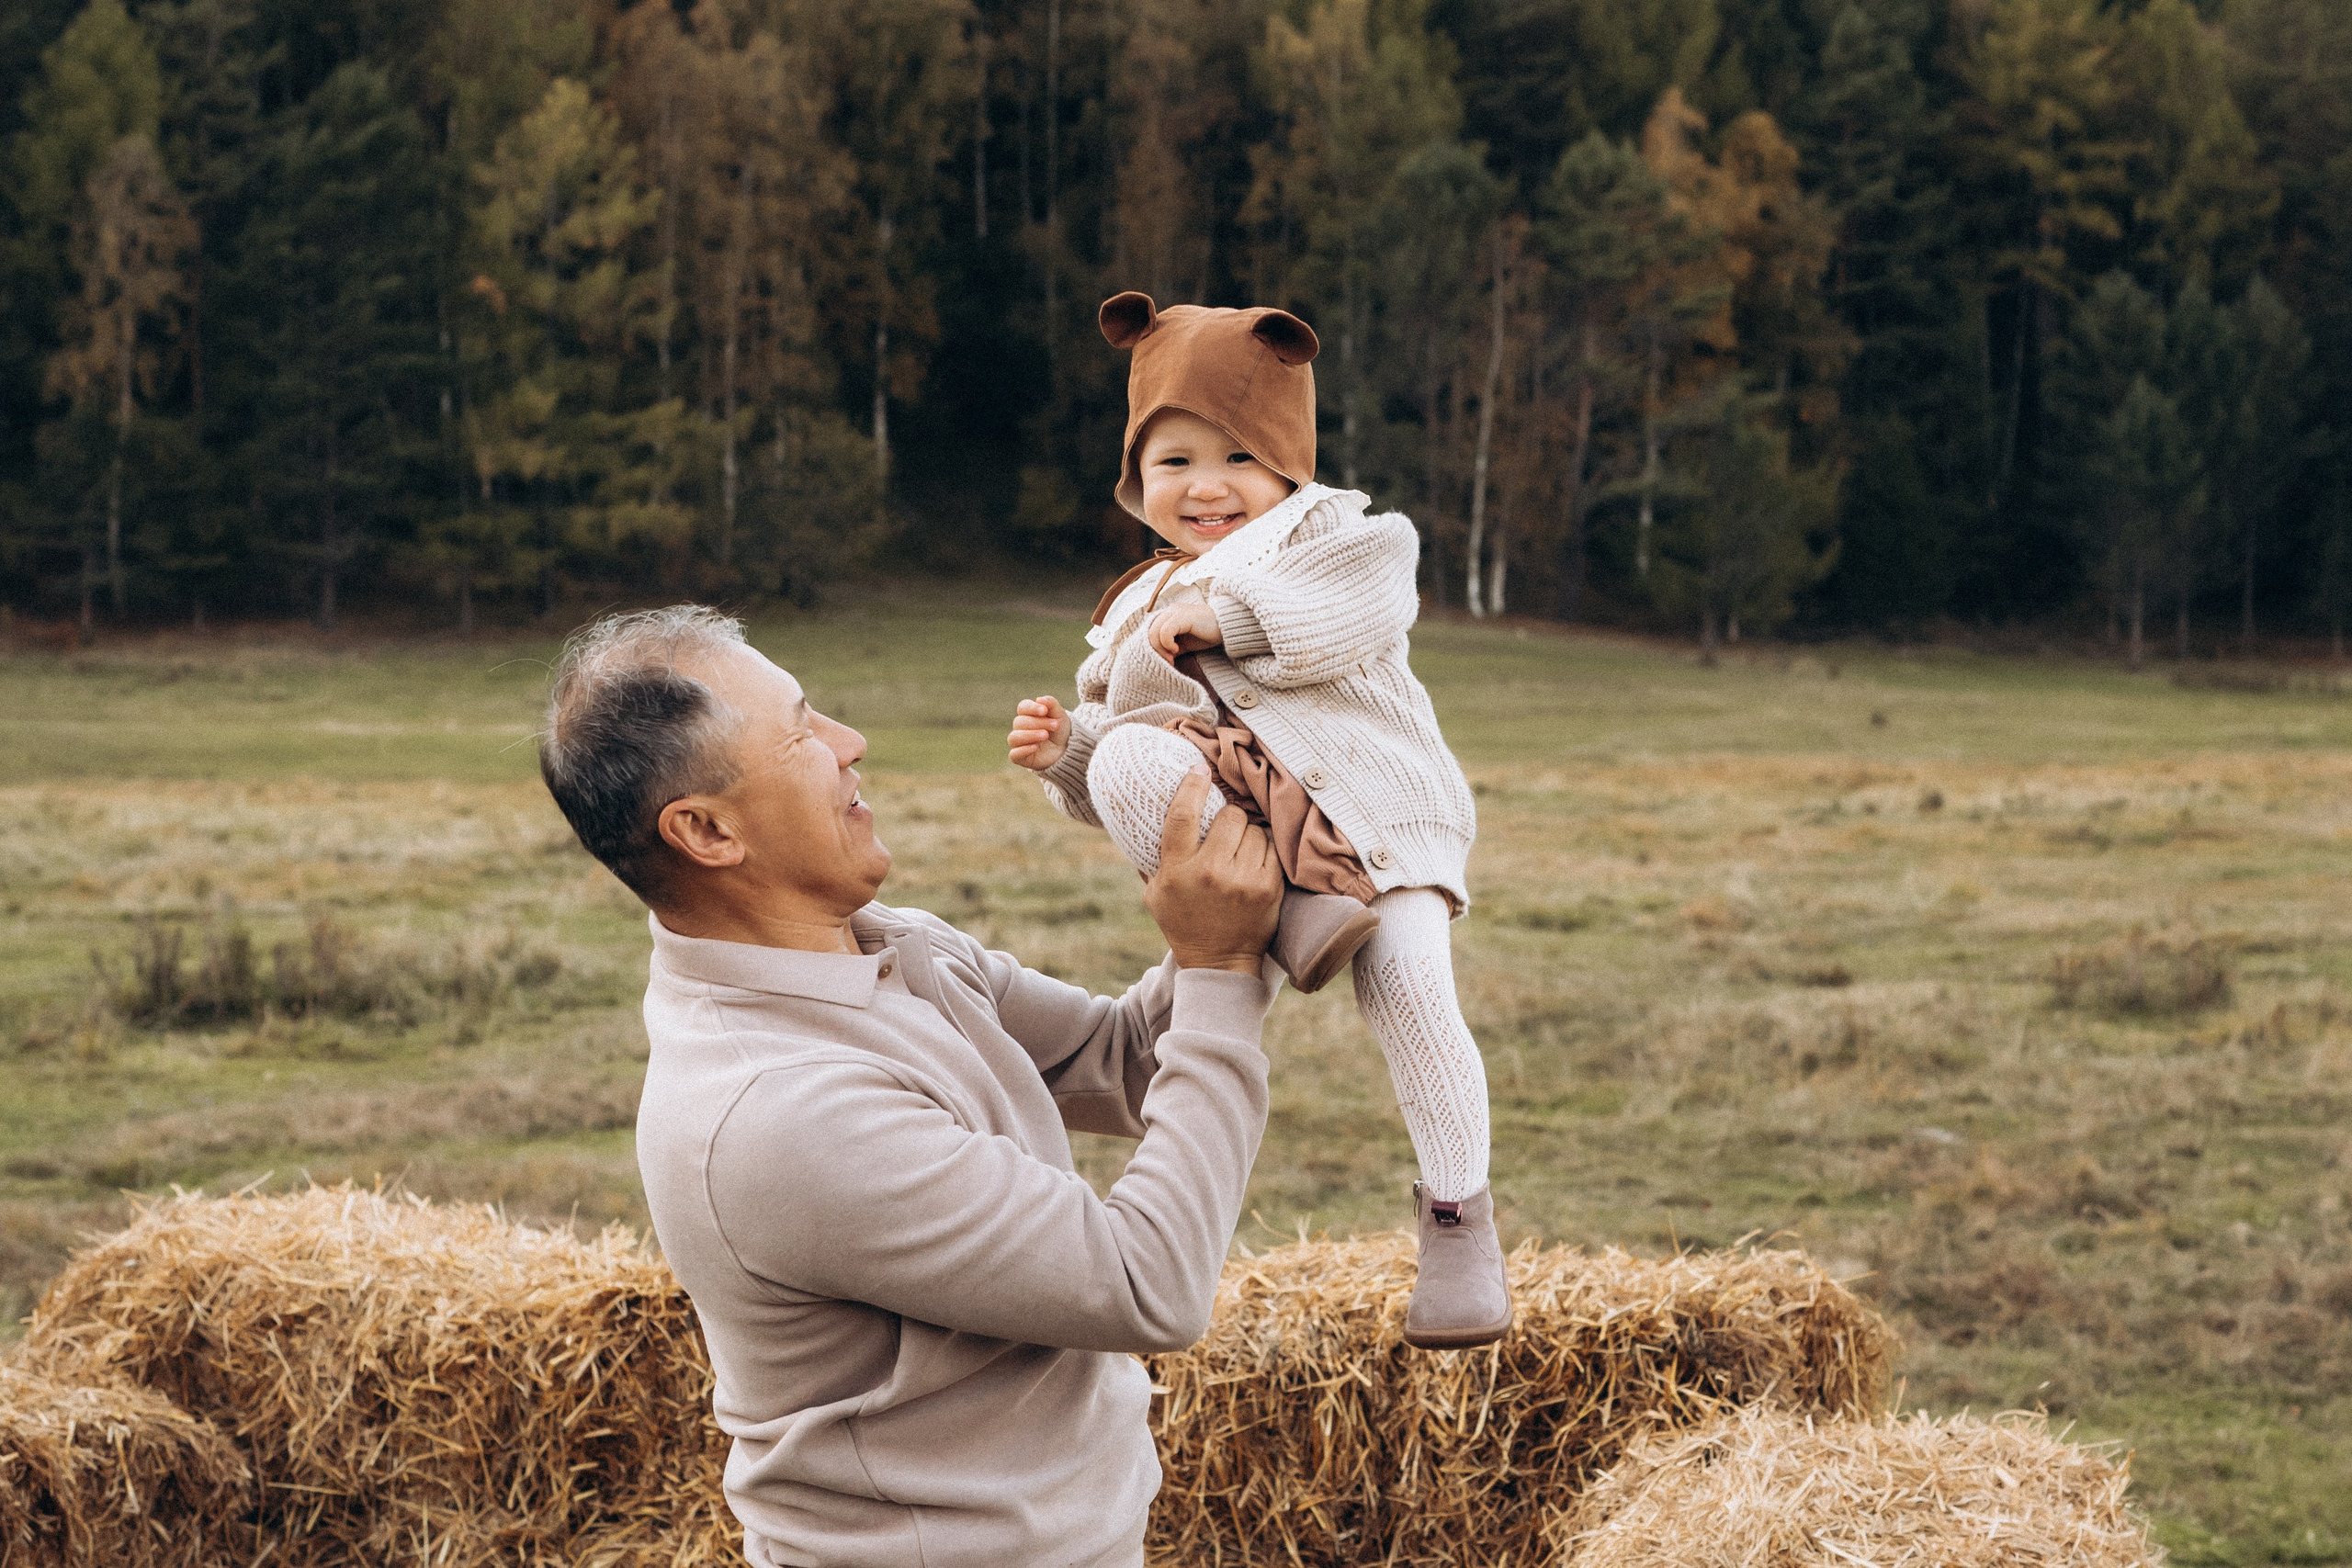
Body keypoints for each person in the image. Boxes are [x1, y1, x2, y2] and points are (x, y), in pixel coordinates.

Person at [537, 605, 1286, 1568]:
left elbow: (1121, 1061)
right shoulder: (781, 1111)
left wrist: (1260, 866)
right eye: (804, 732)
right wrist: (1219, 968)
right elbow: (1149, 1285)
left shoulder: (891, 945)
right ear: (709, 831)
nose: (853, 746)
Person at [1005, 291, 1511, 1349]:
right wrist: (1071, 754)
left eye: (1235, 456)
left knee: (1411, 987)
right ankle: (1285, 920)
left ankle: (1459, 1221)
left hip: (1371, 815)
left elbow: (1355, 614)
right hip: (1252, 856)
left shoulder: (1342, 536)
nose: (1204, 487)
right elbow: (1128, 772)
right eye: (1172, 462)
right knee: (1138, 754)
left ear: (1287, 460)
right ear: (1136, 481)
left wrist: (1231, 614)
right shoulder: (1129, 611)